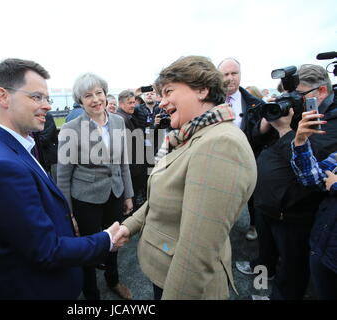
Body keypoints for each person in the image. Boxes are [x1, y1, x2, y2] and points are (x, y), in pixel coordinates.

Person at [0, 58, 121, 300]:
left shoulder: (15, 148)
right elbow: (45, 250)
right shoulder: (1, 165)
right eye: (36, 97)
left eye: (46, 99)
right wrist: (105, 240)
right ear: (3, 96)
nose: (47, 106)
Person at [113, 56, 257, 300]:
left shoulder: (220, 144)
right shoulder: (191, 135)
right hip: (165, 272)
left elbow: (196, 253)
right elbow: (167, 195)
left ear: (202, 89)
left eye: (168, 92)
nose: (162, 102)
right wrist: (130, 225)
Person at [242, 64, 337, 300]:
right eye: (287, 96)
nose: (292, 100)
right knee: (265, 260)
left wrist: (285, 129)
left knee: (291, 274)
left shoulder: (331, 121)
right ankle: (263, 287)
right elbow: (256, 138)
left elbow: (308, 163)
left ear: (321, 91)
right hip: (267, 206)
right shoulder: (299, 110)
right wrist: (267, 122)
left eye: (298, 95)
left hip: (294, 213)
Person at [57, 73, 134, 300]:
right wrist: (68, 212)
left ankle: (113, 280)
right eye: (88, 95)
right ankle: (91, 294)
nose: (95, 99)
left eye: (99, 93)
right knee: (89, 249)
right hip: (86, 199)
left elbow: (123, 162)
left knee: (114, 241)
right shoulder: (70, 128)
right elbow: (63, 176)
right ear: (80, 101)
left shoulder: (119, 121)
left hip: (116, 193)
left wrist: (128, 194)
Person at [291, 110, 337, 299]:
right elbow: (312, 178)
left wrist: (335, 185)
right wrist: (301, 142)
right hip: (324, 247)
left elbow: (330, 184)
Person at [218, 58, 265, 241]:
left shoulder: (254, 103)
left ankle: (254, 224)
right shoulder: (209, 101)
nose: (230, 78)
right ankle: (221, 226)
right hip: (220, 158)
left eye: (234, 73)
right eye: (225, 74)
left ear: (240, 74)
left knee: (253, 194)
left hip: (249, 158)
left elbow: (261, 137)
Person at [116, 90, 146, 210]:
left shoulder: (128, 116)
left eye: (134, 102)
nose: (133, 105)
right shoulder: (121, 119)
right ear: (121, 104)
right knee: (131, 203)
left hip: (133, 166)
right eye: (130, 103)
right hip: (131, 167)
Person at [32, 112, 58, 179]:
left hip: (50, 158)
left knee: (53, 181)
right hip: (42, 157)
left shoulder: (46, 116)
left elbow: (45, 138)